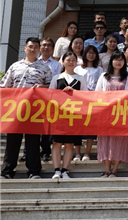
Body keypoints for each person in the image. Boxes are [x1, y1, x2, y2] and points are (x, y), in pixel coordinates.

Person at [0, 37, 52, 180]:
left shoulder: (45, 68)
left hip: (35, 110)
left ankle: (34, 171)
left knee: (33, 141)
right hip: (16, 109)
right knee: (12, 141)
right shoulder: (15, 66)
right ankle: (7, 171)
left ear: (39, 49)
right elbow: (4, 86)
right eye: (30, 46)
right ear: (25, 48)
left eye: (36, 47)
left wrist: (42, 87)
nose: (33, 49)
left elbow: (51, 87)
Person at [95, 52, 128, 177]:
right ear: (111, 61)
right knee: (105, 140)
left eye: (121, 60)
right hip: (105, 114)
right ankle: (107, 169)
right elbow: (97, 93)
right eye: (116, 59)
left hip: (121, 114)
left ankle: (115, 170)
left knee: (119, 141)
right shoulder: (103, 76)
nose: (118, 62)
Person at [49, 51, 86, 179]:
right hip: (58, 116)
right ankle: (56, 170)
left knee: (70, 144)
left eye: (73, 60)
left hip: (73, 116)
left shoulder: (81, 78)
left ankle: (65, 170)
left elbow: (86, 96)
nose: (71, 62)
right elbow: (50, 95)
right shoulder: (57, 78)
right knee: (57, 143)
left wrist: (74, 92)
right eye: (68, 60)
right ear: (63, 62)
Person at [74, 45, 104, 162]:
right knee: (77, 128)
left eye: (93, 53)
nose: (91, 55)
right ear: (84, 55)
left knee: (91, 128)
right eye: (89, 53)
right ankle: (77, 153)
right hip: (80, 100)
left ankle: (87, 153)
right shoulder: (78, 69)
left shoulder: (100, 69)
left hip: (93, 101)